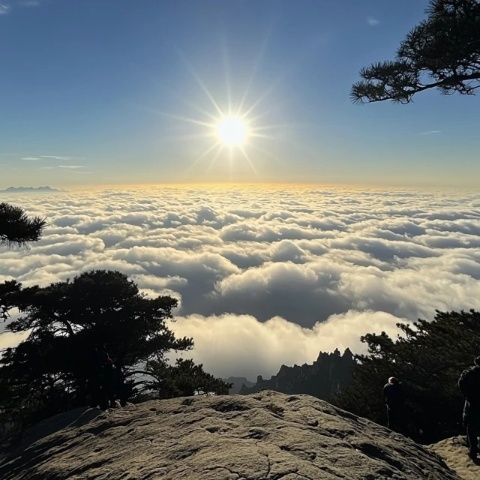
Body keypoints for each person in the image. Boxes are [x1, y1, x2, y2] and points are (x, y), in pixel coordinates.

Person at [458, 356, 480, 460]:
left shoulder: (468, 373)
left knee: (471, 428)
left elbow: (461, 384)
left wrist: (468, 395)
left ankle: (473, 451)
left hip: (472, 403)